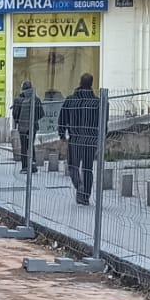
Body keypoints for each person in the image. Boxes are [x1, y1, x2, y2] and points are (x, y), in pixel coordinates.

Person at [58, 74, 102, 206]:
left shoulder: (71, 100)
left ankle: (80, 187)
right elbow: (102, 121)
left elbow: (62, 117)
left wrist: (62, 134)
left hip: (75, 139)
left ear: (80, 82)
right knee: (88, 169)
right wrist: (100, 137)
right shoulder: (97, 102)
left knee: (72, 166)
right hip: (91, 139)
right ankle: (86, 196)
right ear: (91, 84)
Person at [11, 81, 39, 172]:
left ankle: (25, 166)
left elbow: (15, 115)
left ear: (22, 89)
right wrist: (33, 119)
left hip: (23, 127)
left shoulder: (18, 100)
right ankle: (33, 164)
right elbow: (41, 113)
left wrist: (18, 121)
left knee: (24, 146)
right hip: (33, 126)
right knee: (31, 144)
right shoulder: (35, 99)